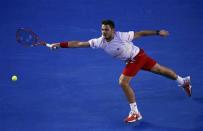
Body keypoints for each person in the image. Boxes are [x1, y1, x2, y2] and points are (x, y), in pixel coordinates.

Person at [49, 20, 192, 123]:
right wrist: (59, 45)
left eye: (106, 29)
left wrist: (157, 32)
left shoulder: (121, 36)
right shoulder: (100, 41)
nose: (103, 32)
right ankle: (183, 81)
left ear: (113, 30)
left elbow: (140, 34)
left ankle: (135, 113)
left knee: (123, 82)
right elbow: (79, 43)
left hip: (136, 57)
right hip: (138, 55)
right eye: (102, 30)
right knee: (160, 70)